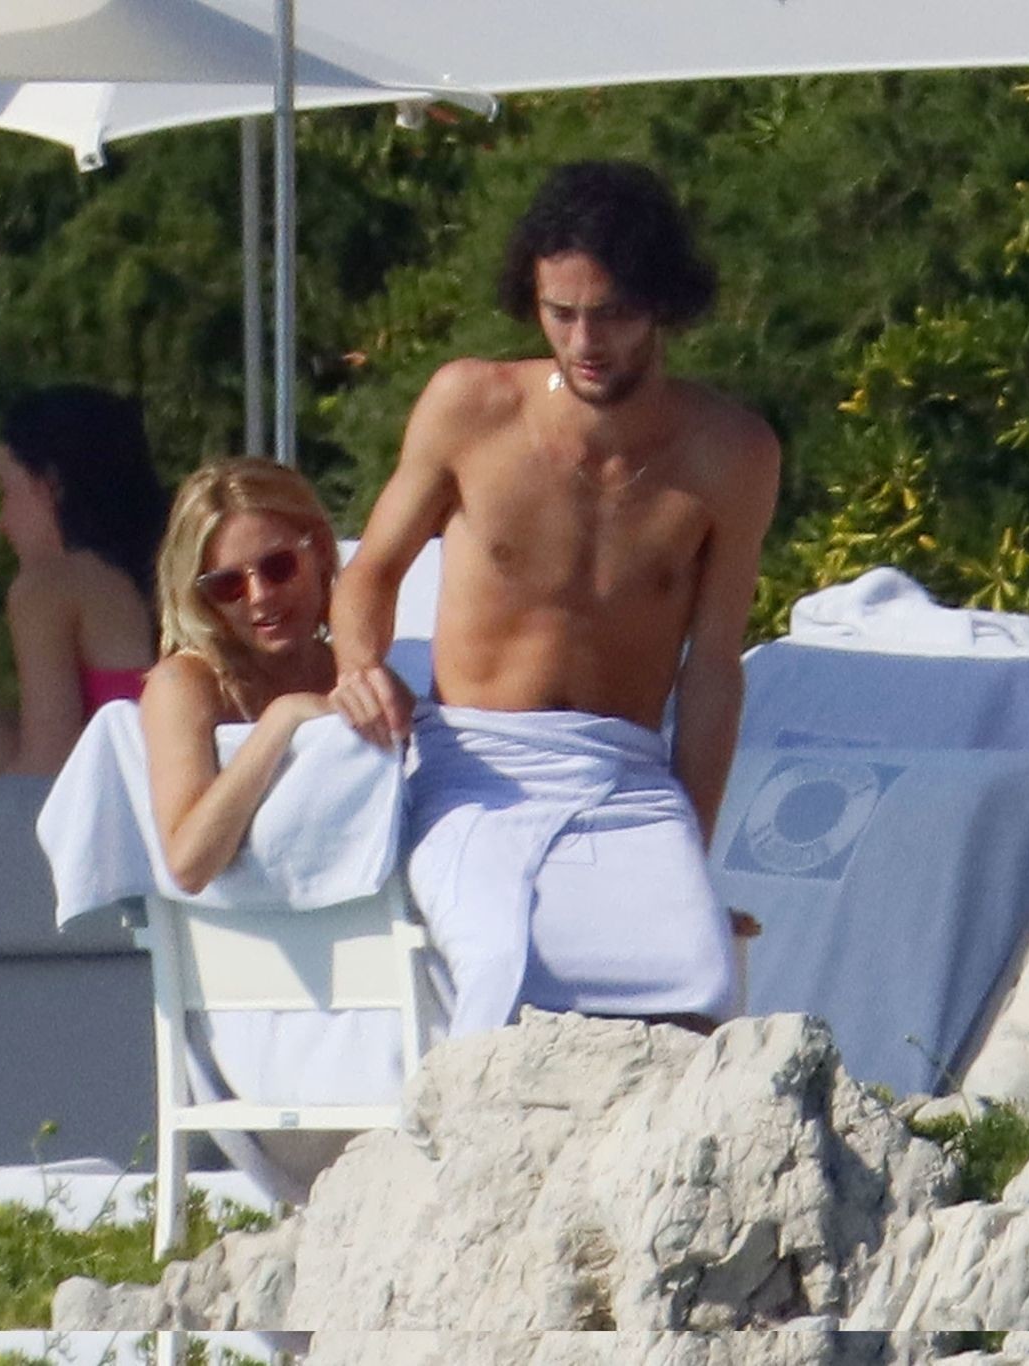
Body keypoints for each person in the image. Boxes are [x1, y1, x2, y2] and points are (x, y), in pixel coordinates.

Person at [329, 160, 780, 1034]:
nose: (584, 341)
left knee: (700, 980)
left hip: (625, 771)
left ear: (662, 303)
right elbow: (370, 574)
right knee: (499, 962)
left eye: (611, 313)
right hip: (473, 765)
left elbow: (713, 669)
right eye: (560, 313)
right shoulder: (471, 405)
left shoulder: (733, 453)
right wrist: (359, 666)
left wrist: (690, 850)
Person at [0, 385, 168, 774]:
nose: (1, 522)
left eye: (7, 491)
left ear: (50, 484)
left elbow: (42, 779)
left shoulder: (51, 587)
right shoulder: (162, 566)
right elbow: (40, 762)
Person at [140, 458, 340, 893]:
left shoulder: (345, 667)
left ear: (321, 551)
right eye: (227, 585)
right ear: (200, 597)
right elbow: (188, 865)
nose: (260, 596)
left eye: (279, 567)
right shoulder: (184, 685)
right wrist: (280, 722)